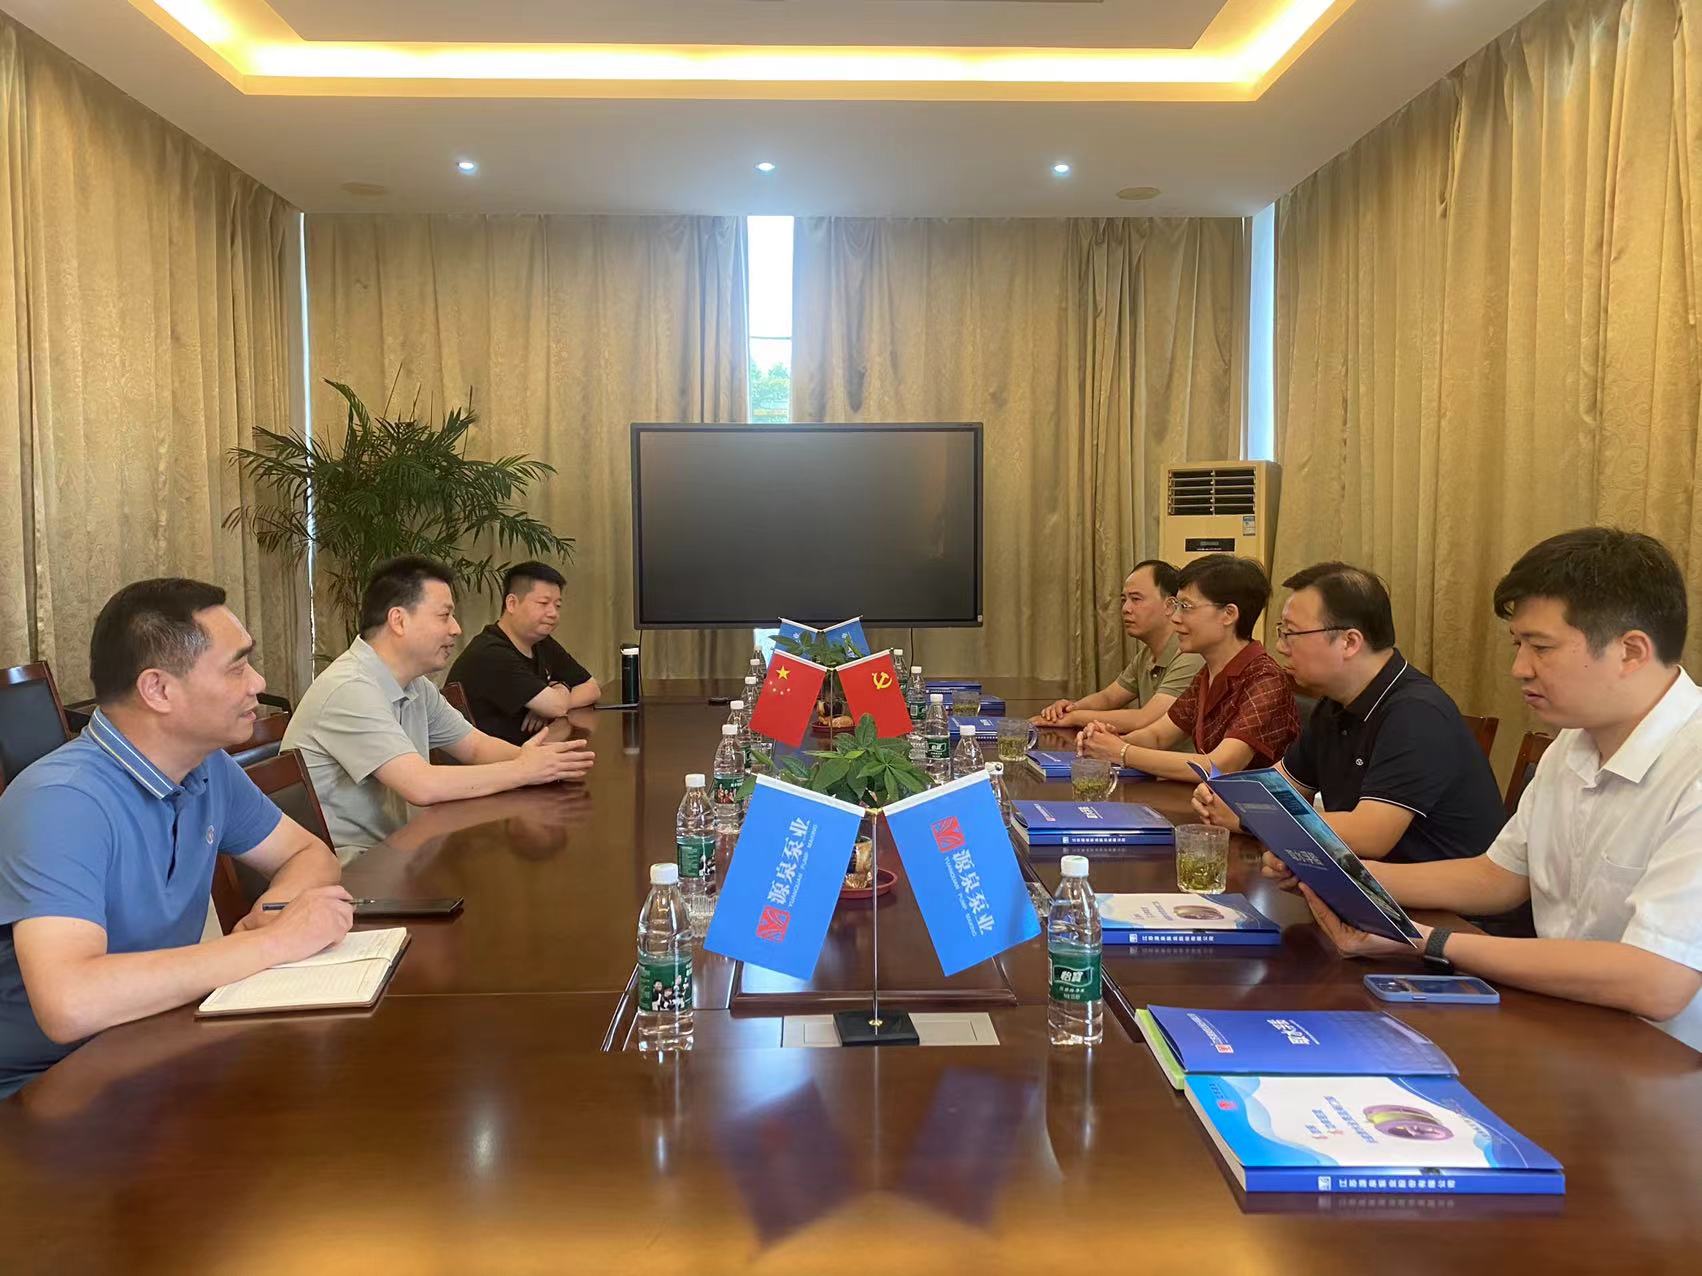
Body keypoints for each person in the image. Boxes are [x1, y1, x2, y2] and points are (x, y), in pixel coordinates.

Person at [1285, 529, 1702, 1051]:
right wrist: (1332, 872)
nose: (1519, 668)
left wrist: (1429, 941)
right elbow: (1499, 877)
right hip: (1567, 1025)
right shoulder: (1574, 743)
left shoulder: (1691, 764)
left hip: (1666, 1063)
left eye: (1541, 647)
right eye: (1517, 644)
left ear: (1631, 651)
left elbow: (1656, 980)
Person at [0, 579, 351, 1098]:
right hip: (40, 1091)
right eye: (237, 666)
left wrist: (274, 913)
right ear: (158, 690)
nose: (258, 682)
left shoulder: (206, 766)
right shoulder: (61, 800)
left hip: (146, 1045)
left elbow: (308, 855)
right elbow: (69, 1002)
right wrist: (270, 943)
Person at [1192, 561, 1508, 867]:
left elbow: (1370, 834)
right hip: (1363, 880)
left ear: (1349, 641)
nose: (1281, 646)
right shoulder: (1334, 704)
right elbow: (1280, 784)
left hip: (1435, 898)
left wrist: (1249, 817)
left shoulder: (1416, 713)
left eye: (1291, 633)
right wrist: (1226, 795)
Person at [282, 556, 595, 852]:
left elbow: (475, 747)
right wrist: (523, 769)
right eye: (445, 615)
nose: (456, 628)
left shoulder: (416, 685)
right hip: (352, 868)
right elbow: (422, 785)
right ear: (398, 620)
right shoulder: (350, 688)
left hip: (401, 849)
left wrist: (547, 764)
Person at [1077, 554, 1299, 782]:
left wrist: (1122, 752)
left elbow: (1219, 766)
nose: (1175, 618)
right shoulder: (1208, 672)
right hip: (1207, 799)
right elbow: (1158, 736)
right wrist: (1108, 741)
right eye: (1176, 606)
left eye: (1185, 607)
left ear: (1228, 614)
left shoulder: (1265, 678)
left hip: (1251, 805)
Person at [1034, 560, 1204, 741]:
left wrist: (1075, 717)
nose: (1125, 609)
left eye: (1136, 599)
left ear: (1170, 606)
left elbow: (1145, 719)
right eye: (1124, 600)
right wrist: (1069, 708)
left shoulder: (1190, 655)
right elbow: (1108, 698)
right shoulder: (1146, 655)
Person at [446, 561, 600, 745]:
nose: (553, 613)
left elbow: (591, 688)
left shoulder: (541, 642)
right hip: (492, 760)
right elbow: (556, 706)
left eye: (557, 605)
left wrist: (546, 707)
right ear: (512, 603)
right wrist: (561, 689)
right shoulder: (490, 653)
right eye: (543, 603)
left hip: (527, 752)